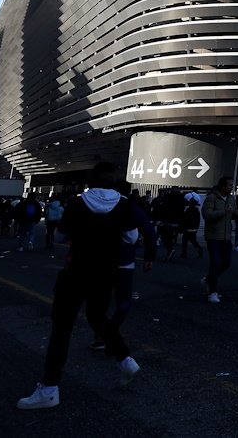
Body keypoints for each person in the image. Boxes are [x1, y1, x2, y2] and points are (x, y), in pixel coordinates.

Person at [17, 162, 142, 410]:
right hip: (106, 272)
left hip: (76, 271)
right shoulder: (123, 204)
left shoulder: (77, 203)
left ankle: (49, 388)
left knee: (62, 327)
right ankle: (125, 359)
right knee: (98, 316)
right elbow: (132, 237)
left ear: (91, 180)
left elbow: (60, 235)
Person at [90, 192, 157, 351]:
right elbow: (149, 232)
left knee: (102, 299)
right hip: (125, 261)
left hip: (102, 261)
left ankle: (102, 334)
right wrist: (149, 257)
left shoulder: (98, 206)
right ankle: (109, 332)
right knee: (123, 300)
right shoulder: (132, 209)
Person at [201, 176, 238, 303]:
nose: (231, 187)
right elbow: (207, 215)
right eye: (229, 185)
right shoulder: (212, 198)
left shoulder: (230, 198)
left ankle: (208, 280)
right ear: (223, 186)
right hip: (213, 236)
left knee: (226, 263)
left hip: (226, 237)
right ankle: (213, 292)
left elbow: (232, 213)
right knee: (215, 263)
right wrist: (224, 211)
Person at [179, 191, 204, 260]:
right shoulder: (196, 211)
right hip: (193, 228)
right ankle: (198, 249)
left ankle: (184, 253)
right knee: (192, 240)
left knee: (186, 240)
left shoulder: (189, 210)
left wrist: (182, 227)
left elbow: (185, 219)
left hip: (188, 228)